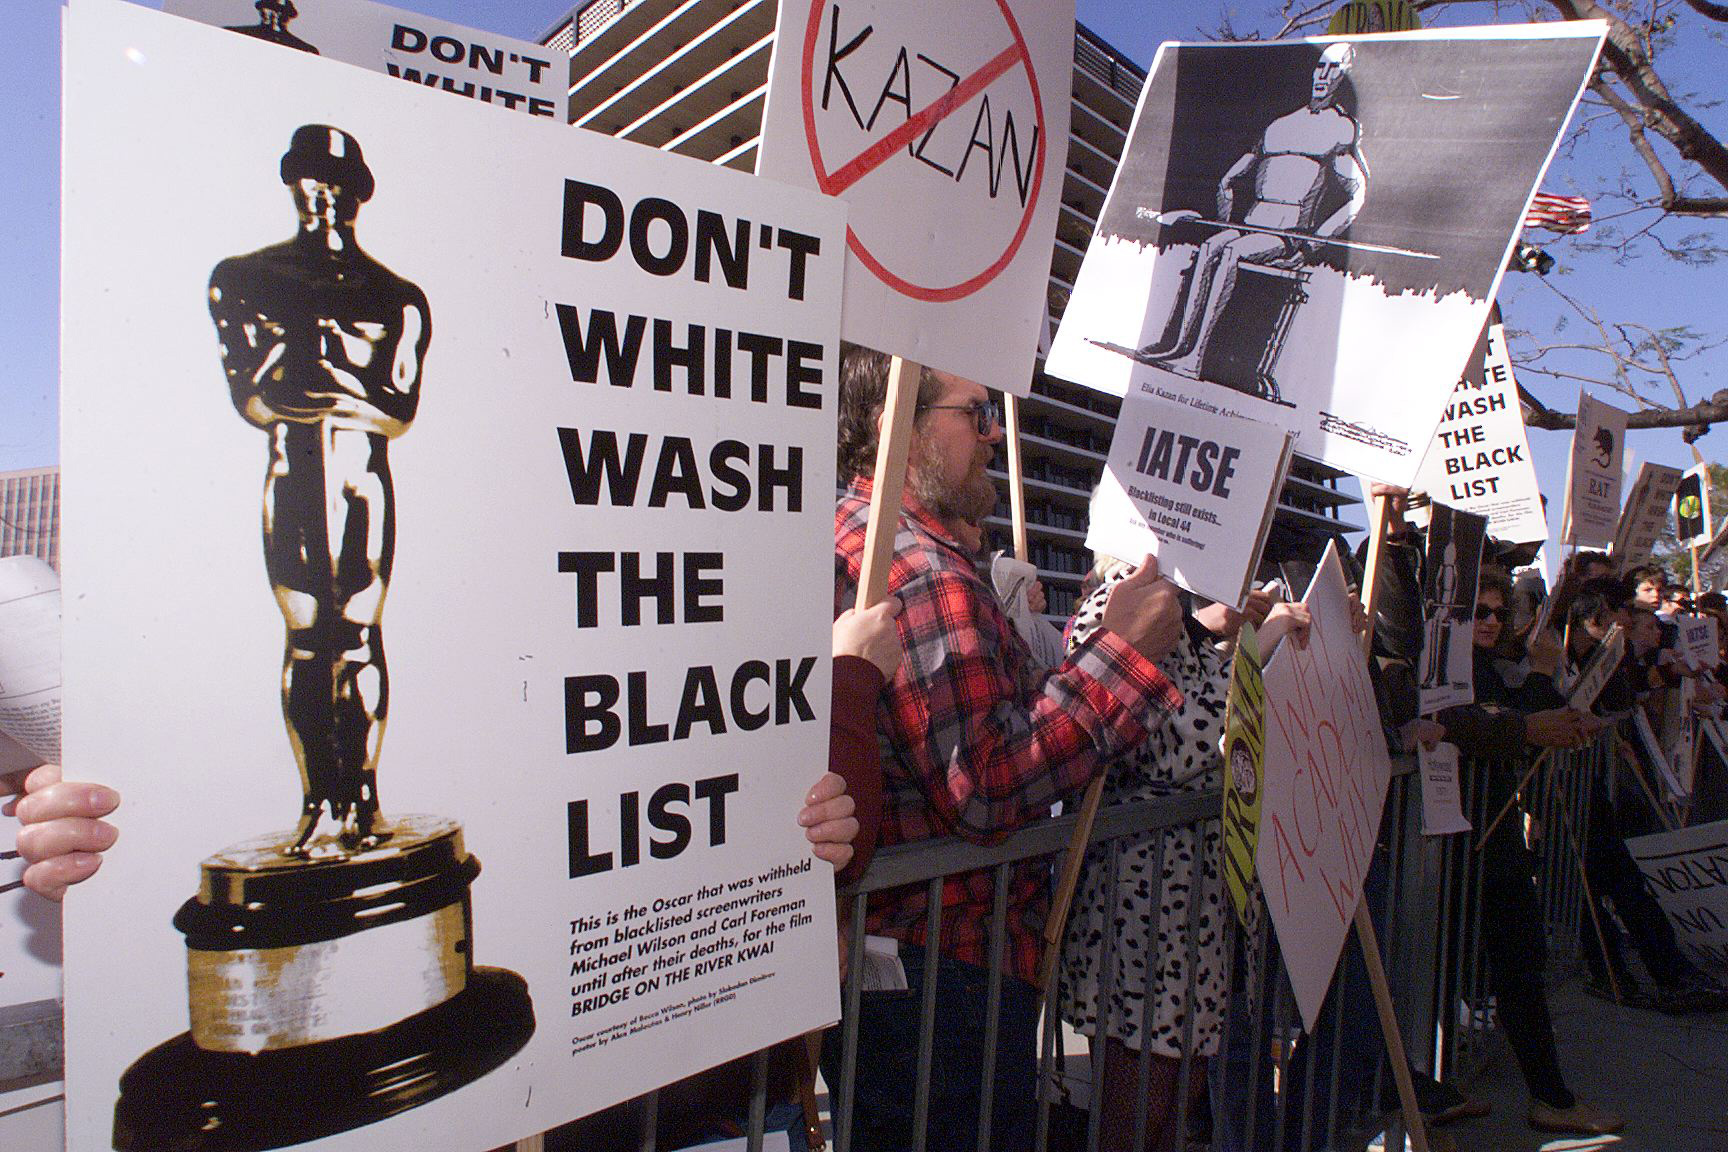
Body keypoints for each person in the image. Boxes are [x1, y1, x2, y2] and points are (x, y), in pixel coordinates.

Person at [830, 345, 1185, 1152]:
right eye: (976, 414)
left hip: (907, 961)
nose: (993, 435)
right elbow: (986, 786)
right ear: (902, 430)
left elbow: (999, 719)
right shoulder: (920, 570)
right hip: (944, 967)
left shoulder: (874, 538)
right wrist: (1124, 658)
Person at [208, 125, 430, 854]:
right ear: (292, 183)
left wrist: (327, 383)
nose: (322, 194)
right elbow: (251, 397)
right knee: (308, 639)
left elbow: (396, 409)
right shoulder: (243, 277)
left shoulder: (394, 295)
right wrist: (302, 385)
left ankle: (362, 797)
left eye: (335, 181)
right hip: (293, 475)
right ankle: (318, 801)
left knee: (359, 636)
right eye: (308, 177)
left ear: (357, 191)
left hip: (362, 478)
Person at [1059, 562, 1305, 1152]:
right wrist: (1262, 648)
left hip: (1194, 906)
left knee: (1175, 1105)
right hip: (1140, 910)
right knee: (1138, 1111)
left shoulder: (1173, 608)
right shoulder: (1117, 606)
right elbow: (1174, 744)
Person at [1435, 574, 1624, 1137]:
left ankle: (1539, 1092)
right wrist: (1542, 682)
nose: (1490, 621)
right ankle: (1547, 1098)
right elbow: (1498, 721)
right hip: (1468, 839)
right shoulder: (1449, 666)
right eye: (1478, 612)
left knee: (1514, 962)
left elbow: (1516, 719)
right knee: (1505, 963)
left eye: (1497, 611)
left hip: (1484, 834)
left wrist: (1560, 715)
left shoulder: (1483, 664)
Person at [1129, 43, 1367, 391]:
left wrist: (1314, 240)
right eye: (1321, 67)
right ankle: (1178, 347)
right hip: (1251, 222)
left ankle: (1195, 358)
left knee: (1228, 253)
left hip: (1287, 233)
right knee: (1213, 244)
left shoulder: (1341, 129)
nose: (1324, 76)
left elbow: (1357, 193)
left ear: (1344, 76)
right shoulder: (1281, 124)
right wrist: (1226, 218)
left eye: (1334, 69)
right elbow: (1229, 180)